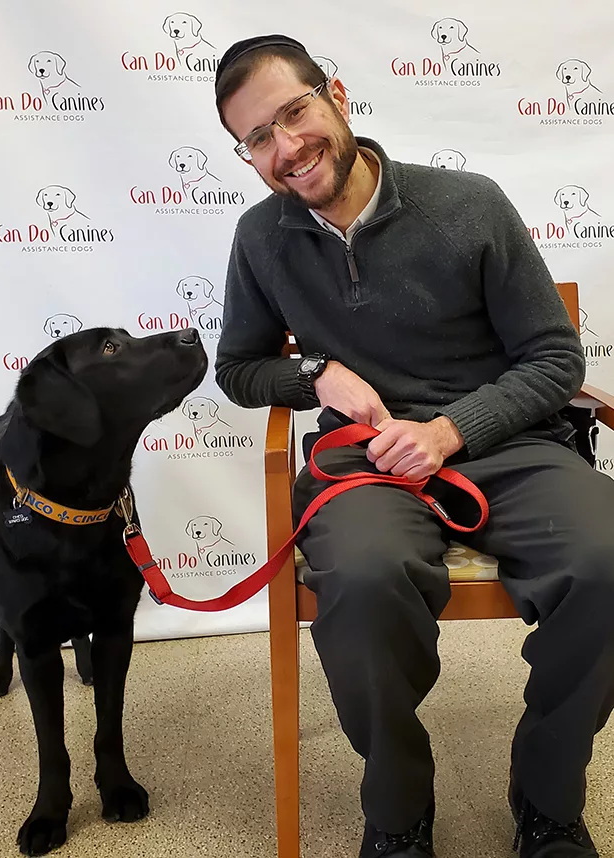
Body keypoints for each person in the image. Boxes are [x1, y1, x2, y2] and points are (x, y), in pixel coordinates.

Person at [213, 34, 614, 858]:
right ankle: (397, 810)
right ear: (245, 153)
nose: (287, 147)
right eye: (258, 137)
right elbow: (240, 368)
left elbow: (554, 357)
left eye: (295, 113)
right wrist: (316, 374)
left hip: (506, 442)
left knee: (611, 560)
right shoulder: (261, 238)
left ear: (337, 95)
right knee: (359, 581)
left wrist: (450, 430)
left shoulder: (468, 203)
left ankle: (547, 796)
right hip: (366, 464)